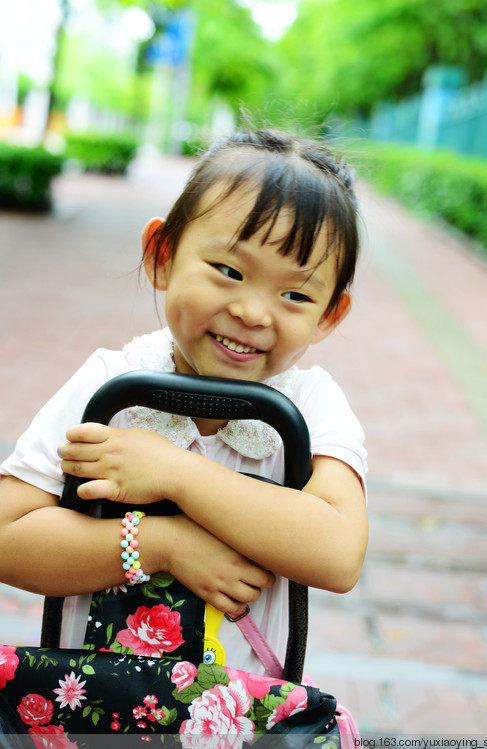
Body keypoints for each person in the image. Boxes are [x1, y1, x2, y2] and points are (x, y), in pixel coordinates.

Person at [0, 128, 368, 675]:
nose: (253, 312)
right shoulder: (114, 385)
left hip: (238, 719)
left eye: (295, 294)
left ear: (329, 315)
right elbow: (9, 534)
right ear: (163, 255)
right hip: (90, 711)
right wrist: (159, 543)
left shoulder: (310, 406)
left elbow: (338, 554)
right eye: (229, 271)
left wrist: (175, 474)